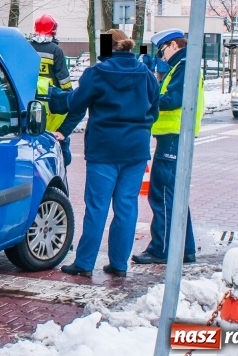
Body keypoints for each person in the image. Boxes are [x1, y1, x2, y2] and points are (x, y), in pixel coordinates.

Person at [50, 29, 160, 278]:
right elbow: (155, 108)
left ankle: (85, 262)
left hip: (104, 149)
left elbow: (76, 103)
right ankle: (119, 263)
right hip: (135, 149)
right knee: (127, 206)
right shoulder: (145, 73)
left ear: (106, 48)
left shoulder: (96, 73)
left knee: (97, 206)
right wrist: (140, 127)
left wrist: (57, 98)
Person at [132, 28, 203, 266]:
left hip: (173, 137)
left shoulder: (183, 67)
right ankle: (186, 249)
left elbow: (173, 100)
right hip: (175, 137)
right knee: (176, 195)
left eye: (163, 49)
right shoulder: (182, 66)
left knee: (162, 194)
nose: (162, 55)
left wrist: (147, 100)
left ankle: (161, 249)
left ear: (173, 45)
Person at [30, 14, 83, 167]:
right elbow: (63, 78)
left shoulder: (28, 46)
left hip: (30, 94)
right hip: (51, 98)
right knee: (59, 141)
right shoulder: (55, 50)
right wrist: (68, 95)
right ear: (53, 30)